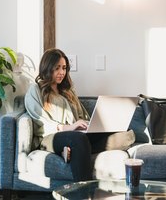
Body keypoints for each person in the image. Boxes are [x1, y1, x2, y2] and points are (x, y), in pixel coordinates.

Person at [24, 48, 135, 181]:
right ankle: (83, 192)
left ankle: (73, 149)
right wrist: (68, 128)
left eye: (64, 68)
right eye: (57, 68)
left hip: (77, 136)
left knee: (126, 134)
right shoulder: (35, 89)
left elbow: (82, 116)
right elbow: (40, 121)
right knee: (78, 139)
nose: (61, 72)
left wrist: (87, 125)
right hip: (51, 137)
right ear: (47, 68)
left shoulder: (68, 91)